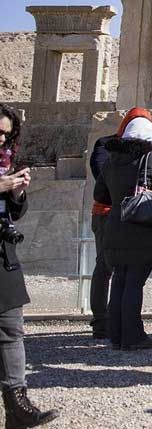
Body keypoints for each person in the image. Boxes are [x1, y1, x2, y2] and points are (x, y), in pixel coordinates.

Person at [94, 113, 152, 350]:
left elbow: (99, 195)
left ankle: (117, 335)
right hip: (142, 230)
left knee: (120, 280)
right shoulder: (149, 159)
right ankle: (133, 336)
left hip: (115, 228)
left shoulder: (111, 160)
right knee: (134, 283)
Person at [0, 104, 59, 427]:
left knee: (11, 329)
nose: (1, 139)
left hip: (3, 254)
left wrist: (18, 193)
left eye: (6, 134)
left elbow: (13, 213)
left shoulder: (4, 166)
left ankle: (17, 404)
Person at [85, 107, 152, 340]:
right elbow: (101, 174)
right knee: (105, 266)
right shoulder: (106, 144)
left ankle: (116, 322)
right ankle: (101, 321)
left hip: (130, 215)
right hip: (106, 213)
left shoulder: (146, 150)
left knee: (125, 270)